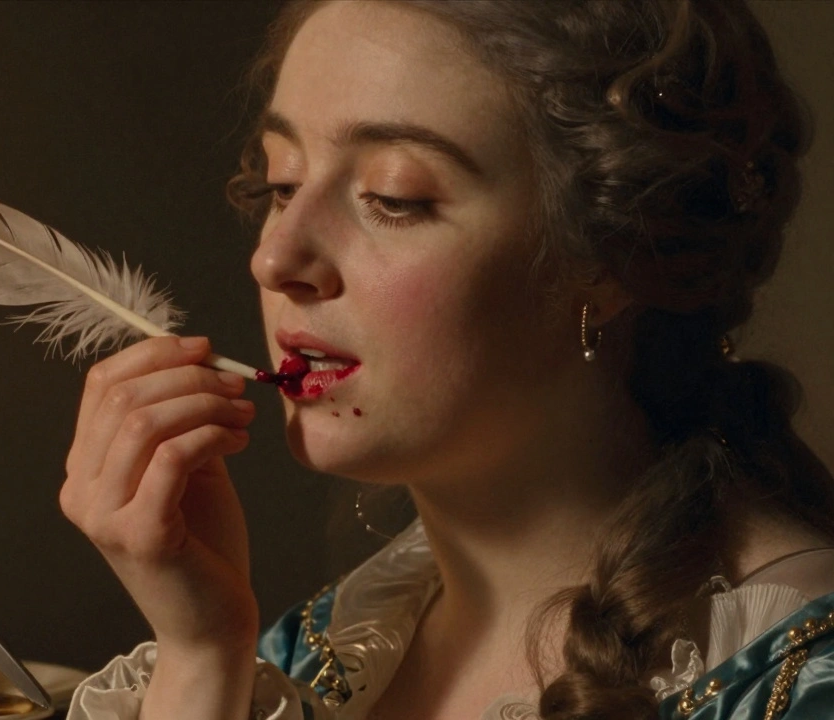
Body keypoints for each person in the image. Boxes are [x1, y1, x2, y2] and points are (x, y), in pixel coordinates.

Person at [56, 1, 834, 718]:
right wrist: (200, 658)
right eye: (283, 181)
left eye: (396, 197)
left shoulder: (792, 680)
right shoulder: (338, 649)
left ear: (613, 253)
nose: (275, 258)